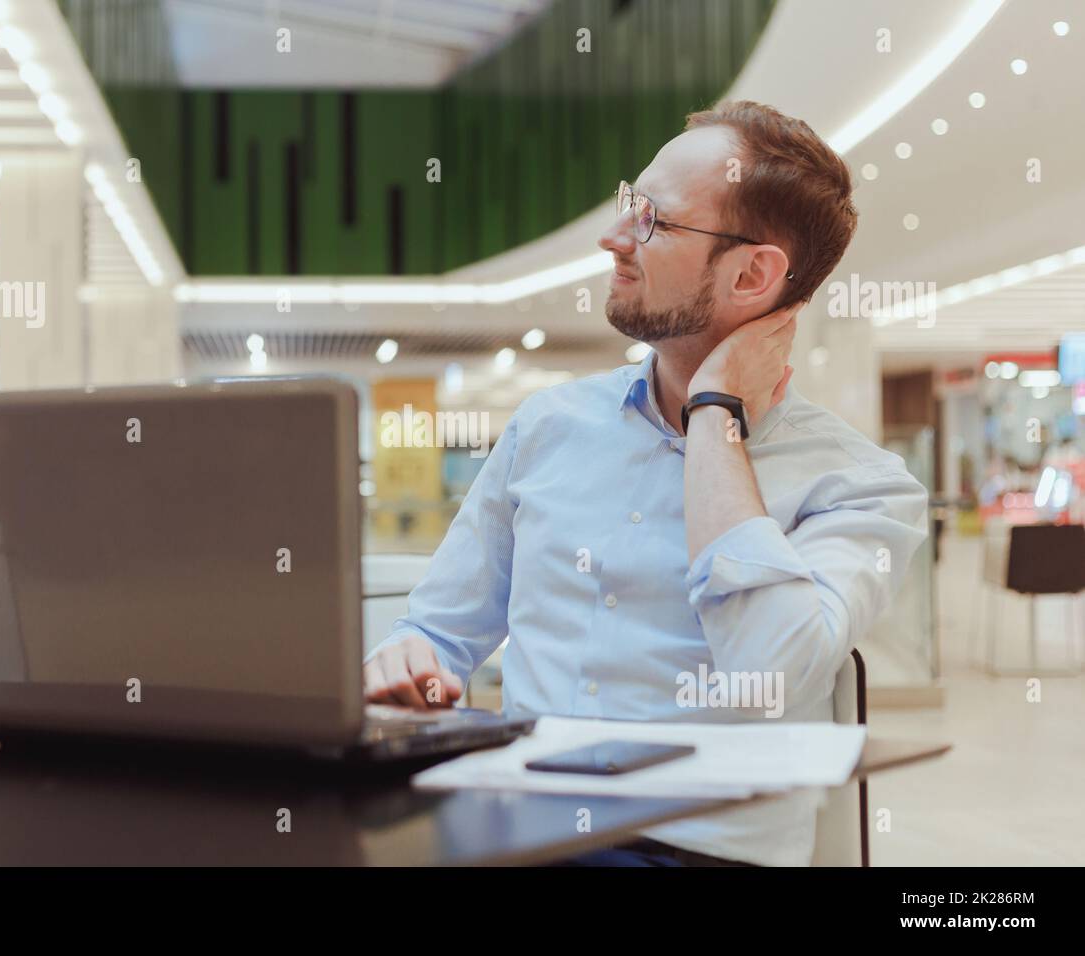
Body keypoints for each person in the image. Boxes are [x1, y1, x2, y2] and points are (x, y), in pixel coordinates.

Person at [363, 101, 929, 866]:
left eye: (653, 221)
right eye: (632, 205)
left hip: (700, 847)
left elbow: (766, 669)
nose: (613, 237)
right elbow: (436, 632)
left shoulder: (864, 488)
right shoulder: (548, 427)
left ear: (753, 273)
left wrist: (715, 416)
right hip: (514, 825)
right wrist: (410, 666)